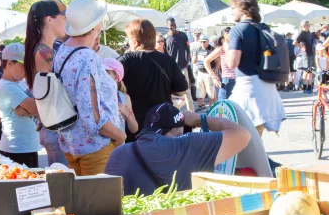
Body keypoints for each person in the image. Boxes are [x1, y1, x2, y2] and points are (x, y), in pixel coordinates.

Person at [105, 103, 251, 195]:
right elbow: (243, 135)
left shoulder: (118, 153)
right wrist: (200, 119)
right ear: (178, 132)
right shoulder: (188, 145)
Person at [53, 0, 126, 175]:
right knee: (102, 201)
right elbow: (94, 117)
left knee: (82, 199)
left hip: (70, 143)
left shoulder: (63, 50)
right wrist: (119, 136)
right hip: (96, 146)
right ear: (95, 25)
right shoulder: (88, 57)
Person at [119, 19, 188, 142]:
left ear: (135, 41)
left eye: (128, 39)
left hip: (135, 127)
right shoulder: (168, 60)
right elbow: (181, 90)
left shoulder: (124, 61)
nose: (128, 42)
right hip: (163, 124)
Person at [226, 0, 286, 135]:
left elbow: (232, 63)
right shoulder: (263, 28)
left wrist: (226, 46)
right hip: (267, 87)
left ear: (243, 9)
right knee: (256, 136)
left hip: (248, 88)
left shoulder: (238, 30)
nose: (232, 11)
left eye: (233, 8)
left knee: (241, 136)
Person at [23, 0, 69, 167]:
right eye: (63, 18)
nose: (66, 22)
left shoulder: (40, 49)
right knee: (63, 187)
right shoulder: (44, 52)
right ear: (49, 19)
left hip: (52, 127)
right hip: (57, 127)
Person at [0, 43, 42, 167]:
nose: (27, 70)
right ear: (10, 63)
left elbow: (38, 107)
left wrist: (30, 111)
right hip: (17, 149)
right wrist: (34, 110)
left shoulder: (19, 82)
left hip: (24, 147)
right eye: (23, 65)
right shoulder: (7, 86)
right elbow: (38, 107)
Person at [101, 58, 138, 136]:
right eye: (99, 72)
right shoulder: (95, 95)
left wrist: (127, 114)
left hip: (118, 145)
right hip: (100, 145)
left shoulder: (124, 98)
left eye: (106, 73)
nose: (101, 76)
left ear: (116, 77)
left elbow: (134, 129)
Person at [165, 17, 194, 111]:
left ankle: (191, 111)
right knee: (172, 91)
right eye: (170, 26)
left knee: (186, 91)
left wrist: (186, 65)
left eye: (173, 25)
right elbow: (166, 53)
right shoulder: (166, 38)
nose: (172, 27)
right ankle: (174, 111)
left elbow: (188, 51)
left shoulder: (182, 35)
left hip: (182, 67)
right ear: (167, 26)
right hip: (171, 69)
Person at [192, 35, 218, 109]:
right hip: (200, 72)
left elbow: (217, 61)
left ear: (207, 41)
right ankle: (201, 104)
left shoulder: (211, 49)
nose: (203, 43)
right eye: (201, 42)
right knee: (200, 89)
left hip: (209, 72)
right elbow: (194, 61)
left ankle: (211, 105)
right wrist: (195, 57)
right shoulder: (198, 49)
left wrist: (214, 71)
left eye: (204, 42)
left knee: (210, 90)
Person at [293, 20, 315, 94]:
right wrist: (301, 46)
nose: (309, 26)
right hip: (306, 54)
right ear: (304, 26)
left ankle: (310, 86)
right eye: (308, 25)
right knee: (306, 71)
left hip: (311, 53)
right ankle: (305, 87)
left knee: (310, 71)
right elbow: (294, 42)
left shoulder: (308, 32)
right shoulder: (301, 33)